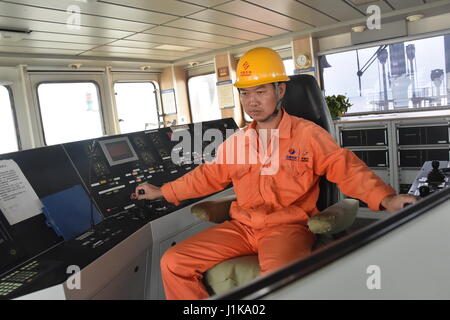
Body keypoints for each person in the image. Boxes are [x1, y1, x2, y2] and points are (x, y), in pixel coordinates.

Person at [131, 47, 418, 300]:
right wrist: (163, 191)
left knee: (277, 283)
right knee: (173, 261)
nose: (251, 102)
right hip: (243, 227)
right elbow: (205, 176)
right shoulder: (237, 142)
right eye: (244, 93)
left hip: (286, 227)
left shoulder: (308, 135)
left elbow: (347, 169)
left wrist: (386, 198)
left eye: (260, 91)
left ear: (280, 91)